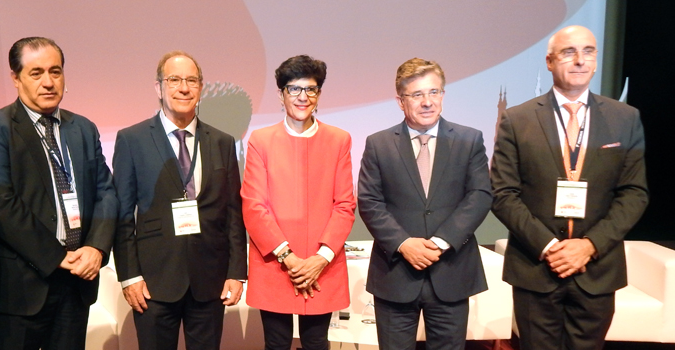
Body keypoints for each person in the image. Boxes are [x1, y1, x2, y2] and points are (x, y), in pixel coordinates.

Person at [491, 25, 648, 350]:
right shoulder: (517, 120)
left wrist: (589, 245)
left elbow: (634, 193)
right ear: (549, 61)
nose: (579, 60)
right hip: (536, 269)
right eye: (568, 52)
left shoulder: (625, 118)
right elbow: (503, 194)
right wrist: (549, 247)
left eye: (588, 51)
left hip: (598, 269)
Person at [0, 37, 118, 350]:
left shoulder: (83, 128)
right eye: (36, 73)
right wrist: (57, 257)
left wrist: (96, 248)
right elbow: (1, 201)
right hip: (21, 288)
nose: (49, 82)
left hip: (77, 281)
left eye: (56, 71)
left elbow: (106, 192)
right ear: (16, 78)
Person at [112, 50, 247, 350]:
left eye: (191, 80)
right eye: (174, 79)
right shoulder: (132, 140)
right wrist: (129, 276)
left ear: (200, 88)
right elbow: (122, 215)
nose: (183, 88)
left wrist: (237, 272)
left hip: (210, 281)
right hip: (153, 282)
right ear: (158, 87)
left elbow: (233, 214)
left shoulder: (223, 142)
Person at [357, 58, 491, 350]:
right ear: (400, 101)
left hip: (451, 272)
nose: (427, 102)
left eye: (434, 92)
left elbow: (479, 195)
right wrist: (404, 244)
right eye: (417, 95)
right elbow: (369, 201)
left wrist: (441, 242)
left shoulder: (469, 140)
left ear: (443, 95)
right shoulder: (378, 144)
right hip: (396, 275)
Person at [241, 55, 355, 350]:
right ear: (281, 94)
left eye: (311, 89)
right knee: (276, 343)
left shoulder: (339, 140)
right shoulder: (261, 140)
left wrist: (320, 259)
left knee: (317, 343)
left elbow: (344, 205)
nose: (303, 97)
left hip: (322, 265)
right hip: (277, 263)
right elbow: (254, 206)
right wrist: (289, 258)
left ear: (319, 95)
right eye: (294, 89)